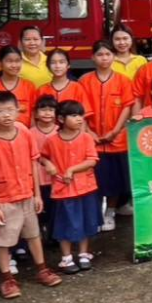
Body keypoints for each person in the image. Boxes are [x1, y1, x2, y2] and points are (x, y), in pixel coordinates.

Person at [0, 90, 58, 297]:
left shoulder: (24, 132)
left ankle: (42, 269)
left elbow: (33, 164)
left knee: (34, 234)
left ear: (18, 110)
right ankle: (7, 279)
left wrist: (37, 194)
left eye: (10, 110)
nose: (6, 115)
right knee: (2, 241)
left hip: (27, 194)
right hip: (4, 199)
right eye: (0, 111)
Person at [40, 100, 101, 273]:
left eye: (80, 115)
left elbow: (92, 160)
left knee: (86, 221)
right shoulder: (52, 141)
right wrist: (48, 163)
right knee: (64, 223)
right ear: (61, 119)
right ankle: (66, 257)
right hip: (63, 189)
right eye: (74, 115)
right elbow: (42, 156)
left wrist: (72, 169)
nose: (79, 119)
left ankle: (83, 253)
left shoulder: (86, 138)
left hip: (86, 187)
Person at [78, 40, 132, 229]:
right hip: (92, 140)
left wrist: (116, 131)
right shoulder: (84, 81)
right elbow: (80, 110)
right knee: (95, 180)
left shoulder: (123, 80)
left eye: (108, 54)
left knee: (115, 181)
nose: (104, 58)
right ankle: (95, 216)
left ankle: (110, 212)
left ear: (114, 57)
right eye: (100, 54)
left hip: (117, 140)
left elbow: (127, 107)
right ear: (92, 57)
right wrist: (89, 131)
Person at [30, 94, 60, 244]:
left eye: (51, 110)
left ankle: (55, 233)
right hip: (38, 179)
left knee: (56, 208)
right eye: (43, 110)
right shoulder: (30, 133)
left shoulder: (60, 131)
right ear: (35, 113)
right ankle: (41, 232)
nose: (47, 113)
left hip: (57, 178)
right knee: (41, 207)